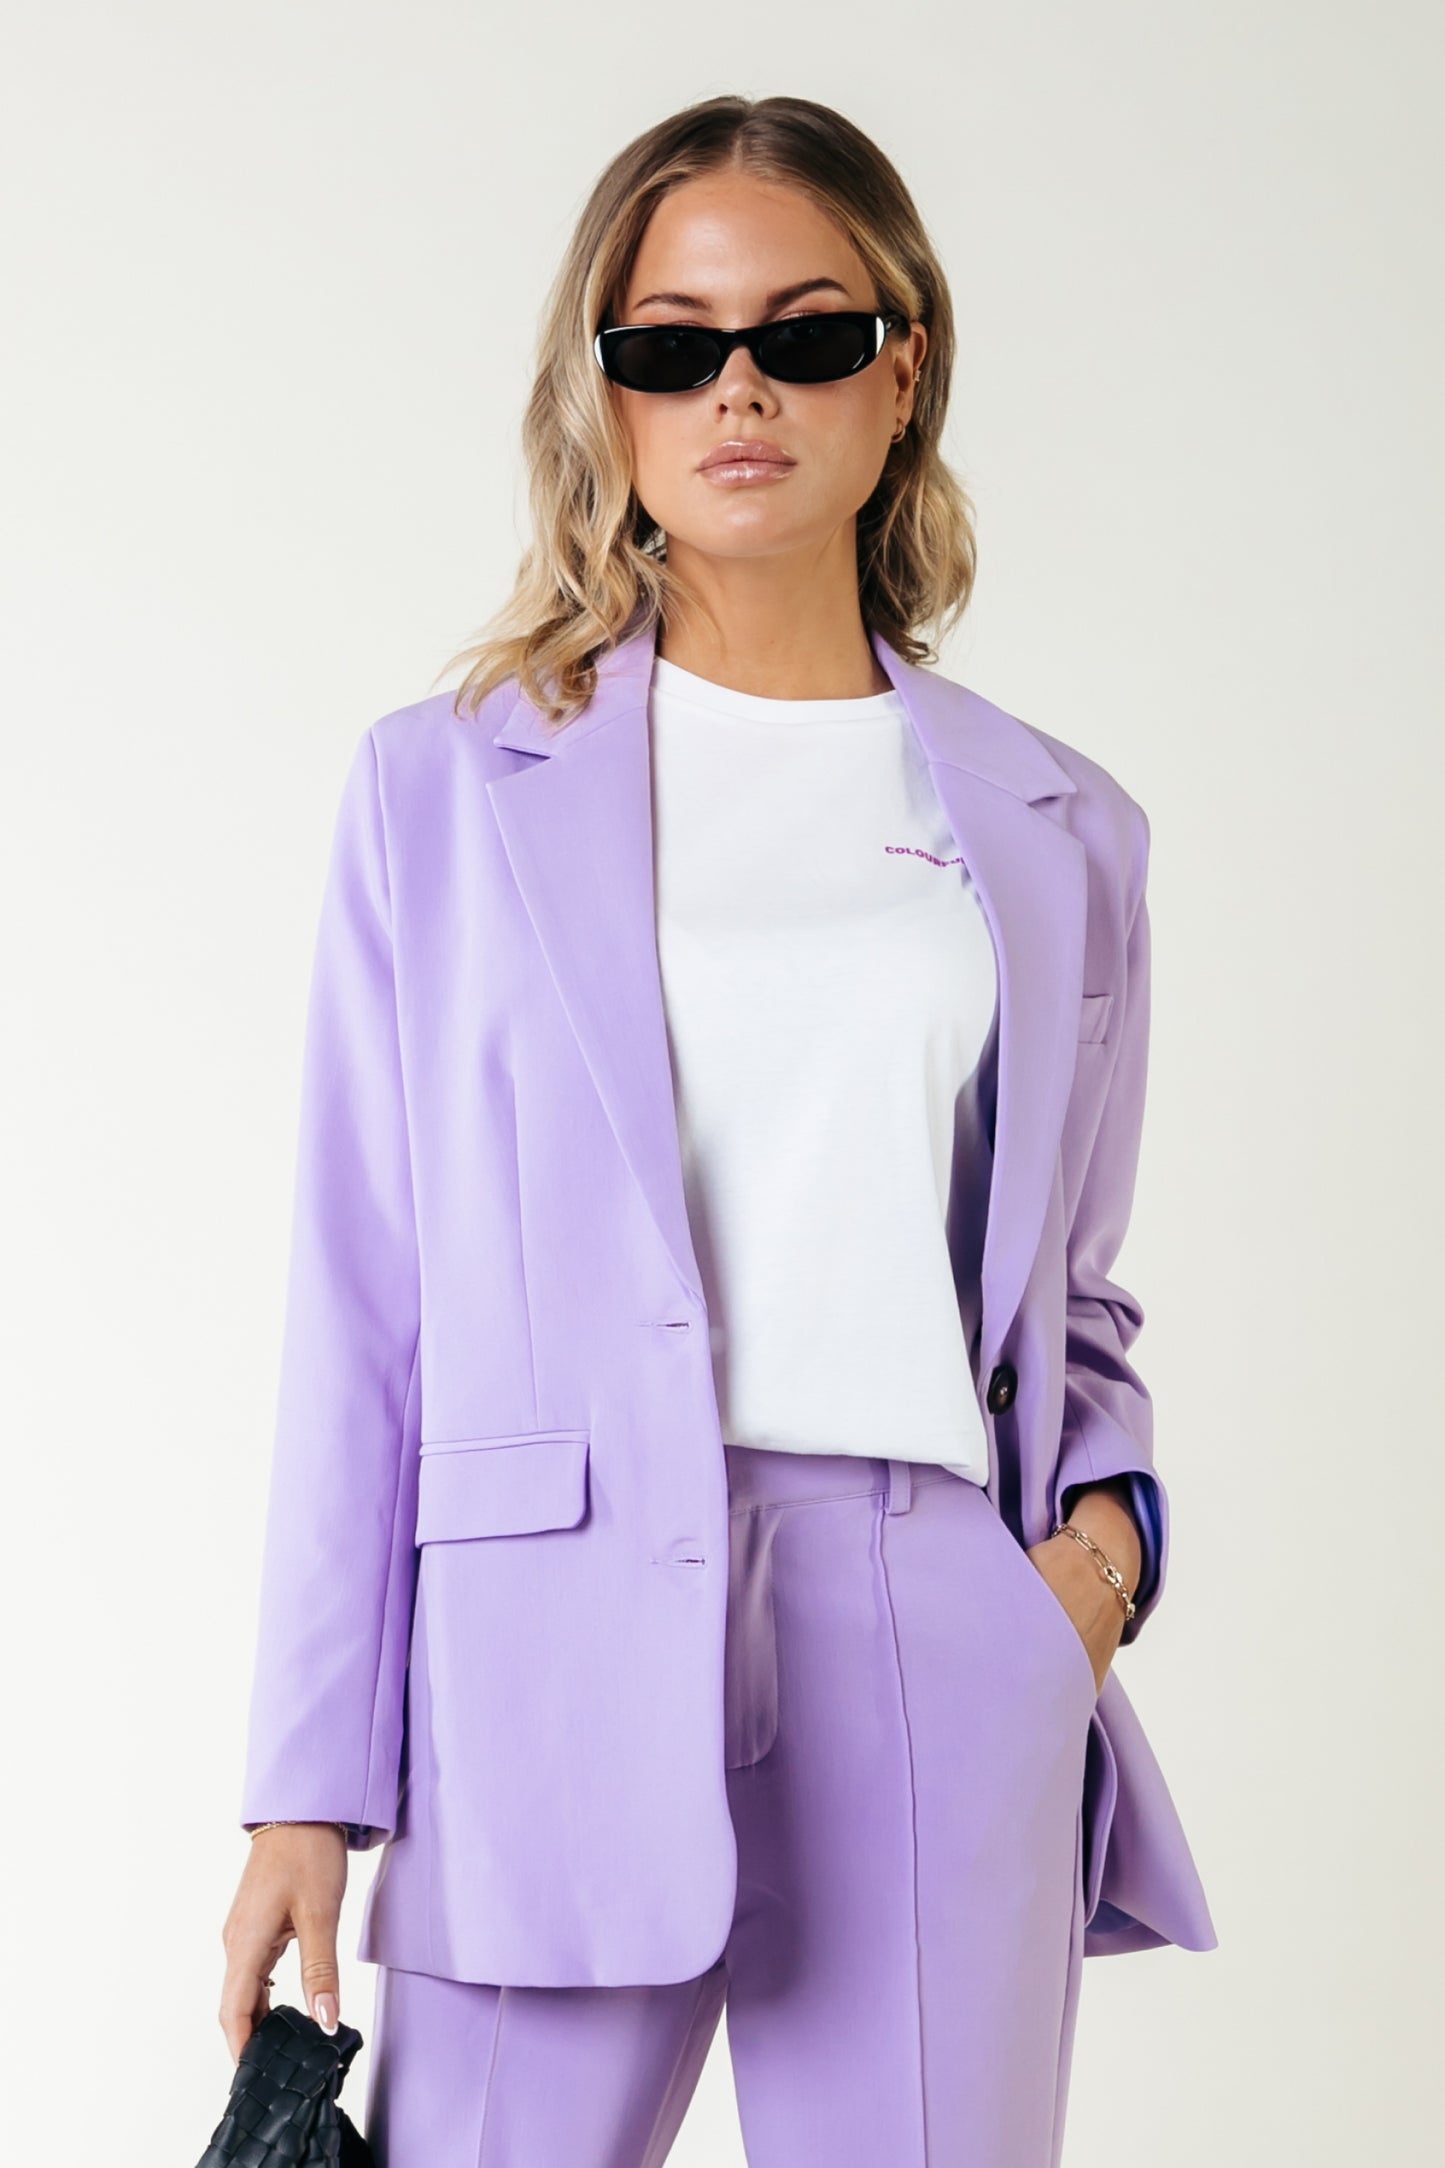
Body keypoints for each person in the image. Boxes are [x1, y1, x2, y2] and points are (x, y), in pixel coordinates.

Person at [219, 91, 1216, 2168]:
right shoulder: (445, 792)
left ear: (901, 369)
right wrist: (305, 1787)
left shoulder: (1059, 830)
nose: (737, 391)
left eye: (805, 335)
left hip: (937, 1627)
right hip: (544, 1648)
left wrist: (1096, 1563)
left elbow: (1073, 1290)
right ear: (606, 392)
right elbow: (365, 1304)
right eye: (672, 345)